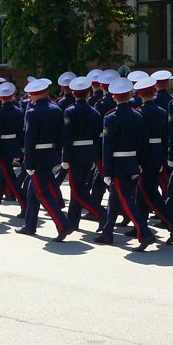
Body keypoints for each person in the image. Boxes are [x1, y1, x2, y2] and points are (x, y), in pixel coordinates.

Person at [94, 77, 155, 251]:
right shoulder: (138, 115)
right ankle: (107, 233)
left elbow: (108, 147)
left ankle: (145, 233)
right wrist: (140, 162)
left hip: (118, 165)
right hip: (133, 162)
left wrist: (106, 171)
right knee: (114, 200)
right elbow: (143, 142)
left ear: (114, 97)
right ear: (129, 95)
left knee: (127, 201)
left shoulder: (110, 118)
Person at [17, 78, 73, 242]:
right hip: (49, 154)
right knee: (32, 192)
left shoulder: (32, 112)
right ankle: (29, 225)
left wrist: (28, 161)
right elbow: (60, 136)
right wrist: (56, 153)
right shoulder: (56, 109)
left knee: (42, 193)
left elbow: (30, 139)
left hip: (37, 157)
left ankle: (63, 224)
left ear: (33, 95)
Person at [134, 76, 173, 244]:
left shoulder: (139, 113)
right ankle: (139, 225)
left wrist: (138, 160)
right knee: (143, 191)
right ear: (154, 92)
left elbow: (140, 140)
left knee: (149, 193)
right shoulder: (162, 112)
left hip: (145, 156)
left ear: (140, 95)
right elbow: (166, 136)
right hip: (158, 154)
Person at [61, 76, 105, 231]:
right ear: (87, 94)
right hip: (89, 153)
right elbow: (96, 136)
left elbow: (67, 137)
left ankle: (101, 213)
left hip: (75, 154)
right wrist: (94, 155)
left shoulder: (70, 111)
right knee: (78, 188)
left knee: (78, 190)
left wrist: (65, 158)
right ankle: (73, 221)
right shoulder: (95, 112)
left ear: (73, 93)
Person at [0, 82, 27, 216]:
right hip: (14, 146)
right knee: (2, 178)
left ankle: (25, 204)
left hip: (2, 148)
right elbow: (21, 131)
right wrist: (21, 147)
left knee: (10, 178)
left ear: (0, 97)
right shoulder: (19, 111)